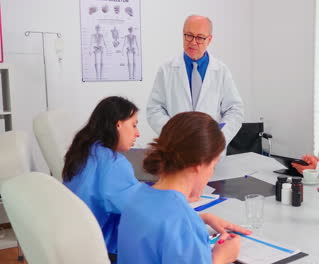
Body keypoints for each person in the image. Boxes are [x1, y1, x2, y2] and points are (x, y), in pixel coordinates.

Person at [118, 112, 251, 264]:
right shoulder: (182, 221)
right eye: (213, 166)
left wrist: (199, 219)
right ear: (198, 166)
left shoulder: (136, 196)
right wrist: (221, 258)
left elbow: (157, 227)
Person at [62, 96, 143, 261]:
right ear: (118, 124)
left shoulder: (82, 151)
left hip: (73, 243)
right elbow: (139, 209)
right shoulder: (114, 163)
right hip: (102, 250)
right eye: (134, 125)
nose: (137, 133)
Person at [146, 15, 244, 145]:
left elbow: (234, 109)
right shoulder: (166, 69)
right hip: (177, 145)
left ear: (209, 40)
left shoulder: (221, 71)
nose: (193, 42)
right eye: (189, 35)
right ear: (183, 34)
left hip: (210, 149)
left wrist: (219, 136)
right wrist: (174, 133)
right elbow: (154, 109)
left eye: (199, 38)